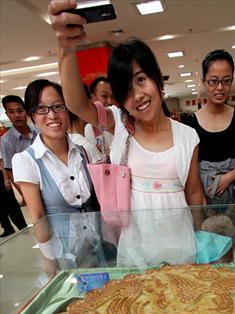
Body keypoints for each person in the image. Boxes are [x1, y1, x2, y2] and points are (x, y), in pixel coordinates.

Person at [48, 0, 205, 268]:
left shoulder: (187, 136)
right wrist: (67, 49)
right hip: (136, 251)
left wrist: (201, 239)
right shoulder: (119, 124)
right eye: (126, 90)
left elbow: (193, 193)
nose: (138, 95)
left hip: (180, 249)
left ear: (157, 79)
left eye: (141, 79)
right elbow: (76, 104)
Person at [12, 79, 101, 272]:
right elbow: (38, 216)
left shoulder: (83, 151)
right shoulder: (26, 160)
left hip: (100, 251)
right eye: (42, 108)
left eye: (58, 106)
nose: (52, 115)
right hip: (65, 258)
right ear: (31, 115)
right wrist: (50, 260)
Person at [184, 49, 235, 207]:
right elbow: (190, 170)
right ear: (203, 81)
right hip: (203, 192)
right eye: (213, 81)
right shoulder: (191, 122)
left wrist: (230, 176)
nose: (220, 87)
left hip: (234, 190)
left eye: (226, 81)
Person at [1, 95, 38, 206]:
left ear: (25, 111)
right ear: (7, 114)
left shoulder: (38, 131)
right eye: (11, 112)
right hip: (31, 185)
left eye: (20, 111)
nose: (17, 115)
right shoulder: (7, 141)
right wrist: (25, 195)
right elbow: (10, 171)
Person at [84, 76, 114, 153]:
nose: (110, 101)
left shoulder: (121, 120)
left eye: (112, 97)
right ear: (92, 97)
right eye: (104, 96)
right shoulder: (90, 128)